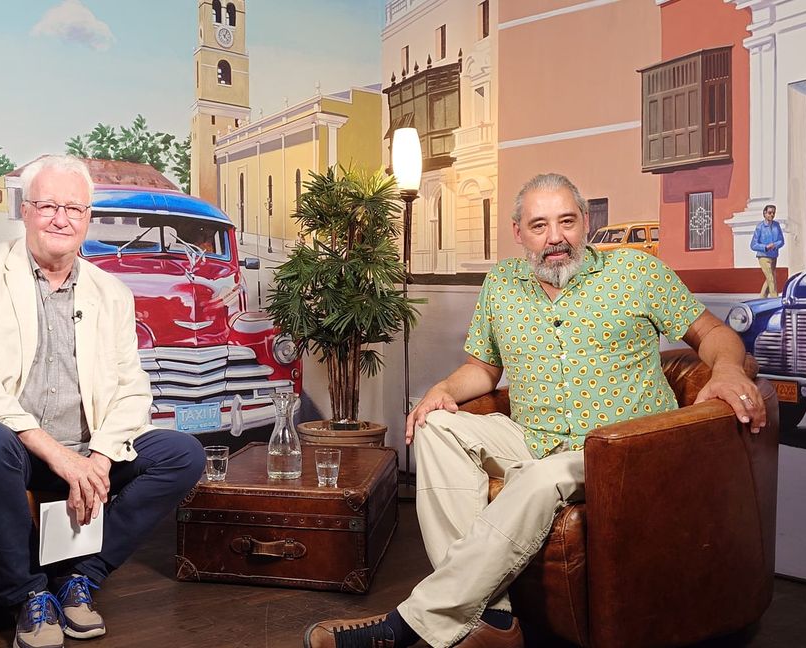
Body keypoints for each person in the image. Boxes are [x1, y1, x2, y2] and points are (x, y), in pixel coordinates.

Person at [303, 173, 766, 648]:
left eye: (567, 221)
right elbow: (482, 369)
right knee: (435, 425)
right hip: (532, 436)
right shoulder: (501, 283)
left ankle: (409, 626)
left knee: (540, 477)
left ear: (585, 224)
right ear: (518, 232)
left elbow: (714, 335)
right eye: (540, 225)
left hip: (622, 449)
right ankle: (494, 623)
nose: (555, 238)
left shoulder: (636, 272)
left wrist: (728, 370)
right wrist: (440, 389)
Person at [0, 155, 204, 648]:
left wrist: (99, 457)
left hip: (85, 450)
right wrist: (58, 456)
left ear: (87, 218)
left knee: (182, 454)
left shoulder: (112, 292)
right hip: (15, 451)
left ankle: (81, 579)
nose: (61, 219)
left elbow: (131, 389)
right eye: (48, 206)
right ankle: (27, 598)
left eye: (74, 209)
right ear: (25, 210)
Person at [750, 204, 784, 298]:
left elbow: (781, 241)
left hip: (774, 256)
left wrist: (775, 245)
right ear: (764, 213)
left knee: (769, 279)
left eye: (773, 213)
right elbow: (753, 245)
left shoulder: (776, 225)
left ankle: (762, 298)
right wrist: (765, 247)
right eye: (769, 213)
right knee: (771, 279)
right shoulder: (760, 227)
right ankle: (775, 299)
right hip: (763, 256)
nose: (772, 215)